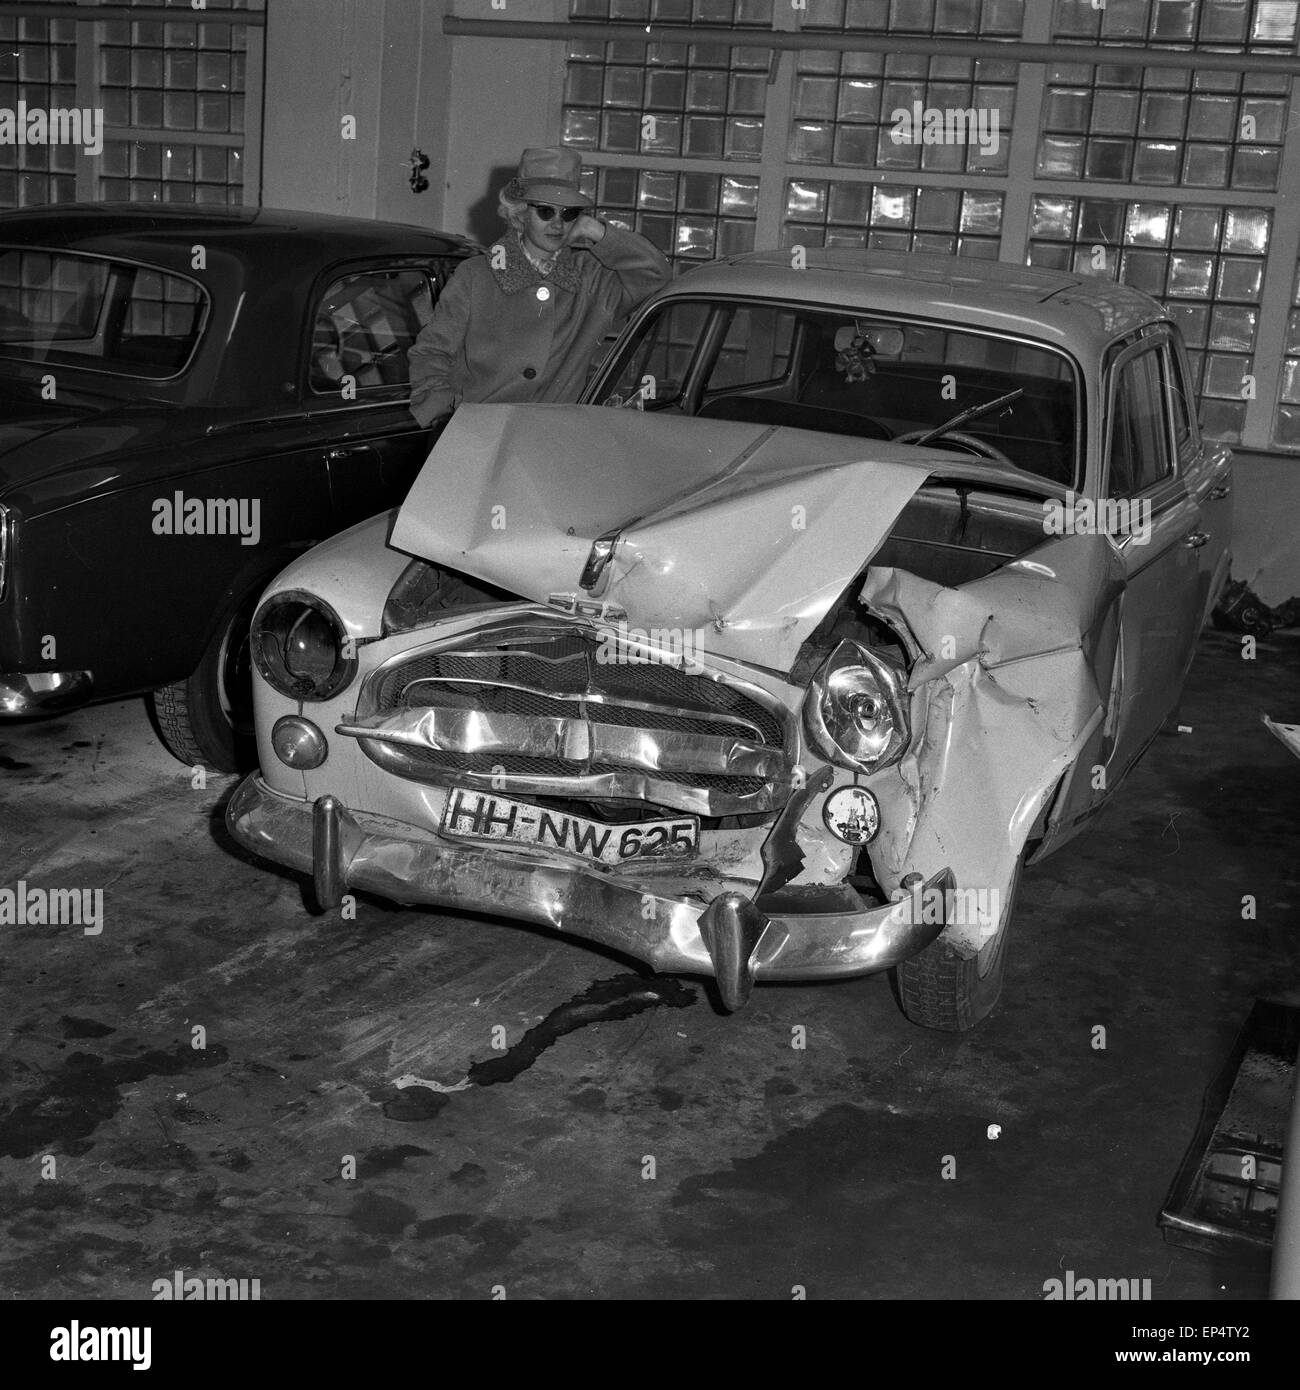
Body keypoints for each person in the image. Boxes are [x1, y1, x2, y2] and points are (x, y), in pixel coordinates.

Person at [407, 147, 671, 428]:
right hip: (481, 438)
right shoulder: (476, 276)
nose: (557, 224)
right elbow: (431, 353)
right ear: (520, 213)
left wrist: (595, 230)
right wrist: (446, 419)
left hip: (553, 441)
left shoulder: (592, 279)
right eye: (545, 211)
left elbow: (655, 274)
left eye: (568, 213)